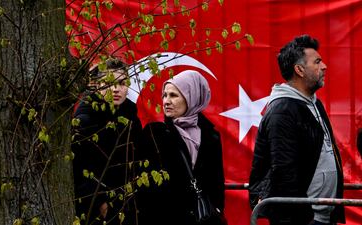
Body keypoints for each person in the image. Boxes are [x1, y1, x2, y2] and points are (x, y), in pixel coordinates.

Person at [248, 35, 345, 225]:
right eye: (317, 61)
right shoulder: (283, 111)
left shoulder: (316, 104)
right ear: (299, 70)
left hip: (323, 216)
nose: (324, 66)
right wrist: (302, 219)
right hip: (304, 219)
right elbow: (284, 172)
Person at [138, 70, 227, 225]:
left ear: (192, 97)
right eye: (165, 95)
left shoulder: (210, 136)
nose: (166, 101)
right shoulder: (155, 134)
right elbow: (145, 187)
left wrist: (217, 209)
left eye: (173, 95)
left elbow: (216, 182)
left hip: (201, 218)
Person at [72, 58, 142, 225]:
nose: (116, 89)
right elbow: (77, 170)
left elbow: (138, 161)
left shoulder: (132, 117)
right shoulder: (84, 120)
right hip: (93, 211)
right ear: (96, 85)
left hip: (128, 204)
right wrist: (99, 201)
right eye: (109, 83)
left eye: (123, 83)